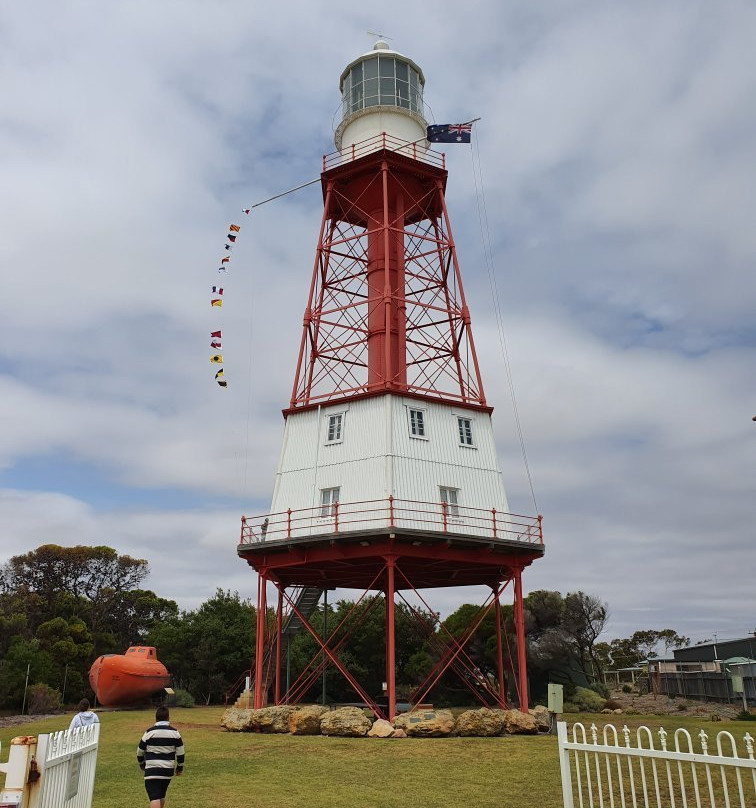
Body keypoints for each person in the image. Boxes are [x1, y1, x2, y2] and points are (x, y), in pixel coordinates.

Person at [136, 705, 184, 808]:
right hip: (167, 770)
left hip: (152, 770)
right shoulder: (175, 733)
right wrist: (179, 768)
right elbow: (180, 752)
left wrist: (142, 764)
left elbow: (140, 751)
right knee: (161, 796)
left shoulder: (149, 732)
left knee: (154, 797)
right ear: (168, 718)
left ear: (156, 718)